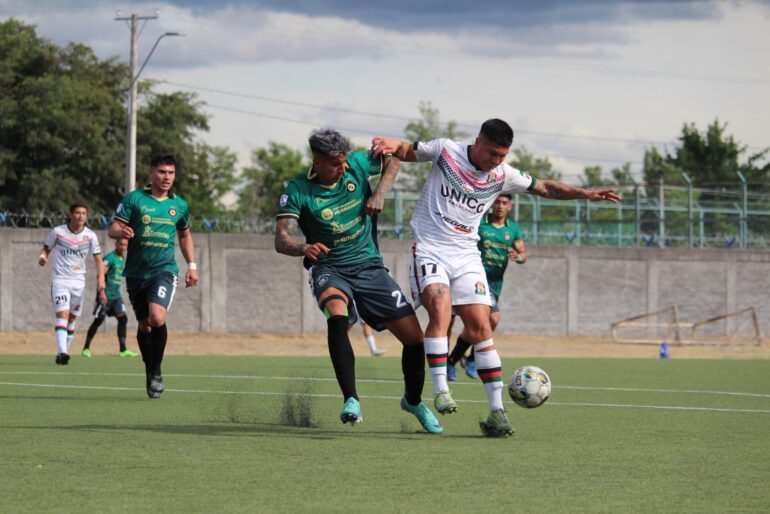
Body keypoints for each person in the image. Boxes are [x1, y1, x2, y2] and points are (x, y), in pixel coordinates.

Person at [372, 119, 620, 436]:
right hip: (431, 249)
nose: (496, 161)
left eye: (502, 155)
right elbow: (407, 150)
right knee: (440, 308)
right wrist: (391, 144)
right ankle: (441, 389)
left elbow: (546, 187)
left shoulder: (502, 175)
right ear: (478, 142)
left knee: (482, 327)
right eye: (492, 153)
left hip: (467, 255)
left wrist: (586, 194)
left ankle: (497, 412)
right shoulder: (446, 151)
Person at [275, 127, 442, 433]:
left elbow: (393, 160)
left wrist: (379, 193)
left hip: (369, 267)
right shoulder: (298, 189)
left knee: (414, 339)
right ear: (316, 160)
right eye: (335, 164)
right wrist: (304, 248)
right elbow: (281, 239)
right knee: (337, 316)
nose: (342, 169)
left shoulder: (357, 164)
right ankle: (351, 399)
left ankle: (413, 401)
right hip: (329, 268)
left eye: (344, 162)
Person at [108, 154, 199, 399]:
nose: (166, 177)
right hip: (136, 273)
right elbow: (113, 228)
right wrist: (122, 232)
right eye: (162, 172)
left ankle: (156, 371)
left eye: (170, 172)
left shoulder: (179, 205)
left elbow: (185, 235)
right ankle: (149, 370)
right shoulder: (134, 199)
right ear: (151, 172)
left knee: (157, 317)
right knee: (144, 325)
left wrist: (192, 265)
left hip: (164, 270)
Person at [447, 194, 526, 382]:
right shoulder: (479, 222)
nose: (500, 206)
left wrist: (517, 256)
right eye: (497, 202)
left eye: (504, 203)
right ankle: (466, 360)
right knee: (492, 318)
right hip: (475, 278)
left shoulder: (513, 229)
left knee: (479, 324)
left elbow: (523, 254)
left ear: (510, 207)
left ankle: (456, 360)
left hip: (495, 283)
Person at [39, 203, 106, 365]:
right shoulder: (58, 232)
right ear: (71, 215)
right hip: (60, 280)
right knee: (62, 314)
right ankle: (62, 352)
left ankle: (64, 351)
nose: (80, 216)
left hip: (79, 282)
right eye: (77, 213)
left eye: (83, 213)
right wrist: (43, 257)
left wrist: (101, 278)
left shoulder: (90, 236)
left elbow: (98, 259)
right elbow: (46, 248)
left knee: (72, 318)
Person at [81, 237, 138, 358]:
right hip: (105, 294)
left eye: (125, 245)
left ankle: (123, 350)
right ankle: (86, 348)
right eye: (120, 244)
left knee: (123, 319)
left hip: (116, 296)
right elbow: (100, 274)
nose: (123, 247)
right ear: (116, 244)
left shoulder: (122, 258)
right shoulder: (110, 258)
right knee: (98, 320)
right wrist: (101, 292)